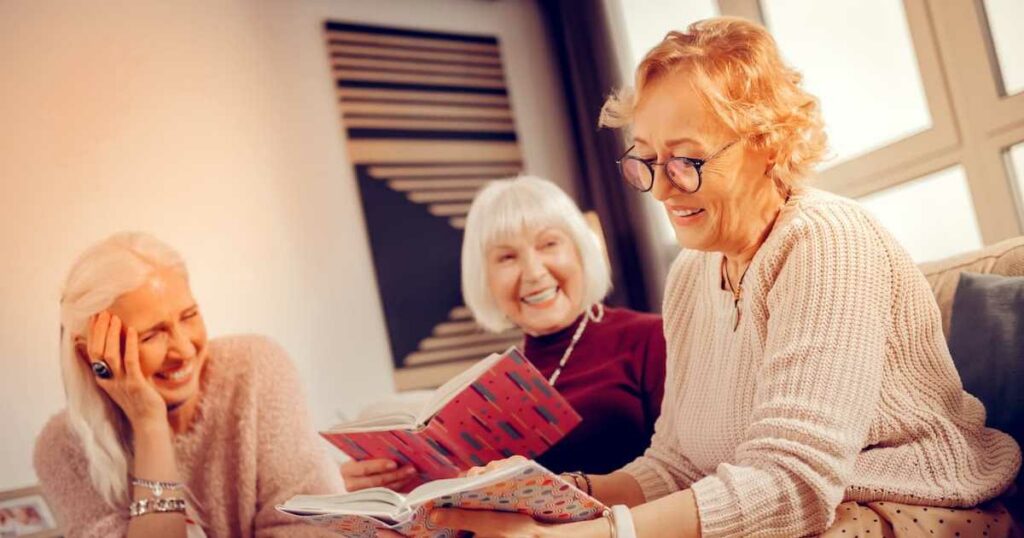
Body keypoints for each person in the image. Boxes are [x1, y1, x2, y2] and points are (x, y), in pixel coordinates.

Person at [426, 17, 1022, 537]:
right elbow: (678, 464)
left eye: (687, 160)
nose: (660, 189)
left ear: (768, 144)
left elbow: (795, 482)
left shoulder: (825, 240)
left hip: (915, 507)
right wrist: (555, 492)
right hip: (810, 510)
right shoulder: (692, 273)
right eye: (647, 161)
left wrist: (609, 531)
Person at [341, 176, 668, 492]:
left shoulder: (652, 338)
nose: (534, 272)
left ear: (581, 251)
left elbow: (680, 472)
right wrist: (400, 484)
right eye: (507, 257)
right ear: (485, 278)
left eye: (549, 244)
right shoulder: (488, 389)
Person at [34, 232, 343, 537]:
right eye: (151, 335)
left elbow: (314, 526)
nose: (184, 350)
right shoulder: (62, 448)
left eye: (189, 316)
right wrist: (149, 426)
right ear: (91, 356)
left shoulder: (254, 368)